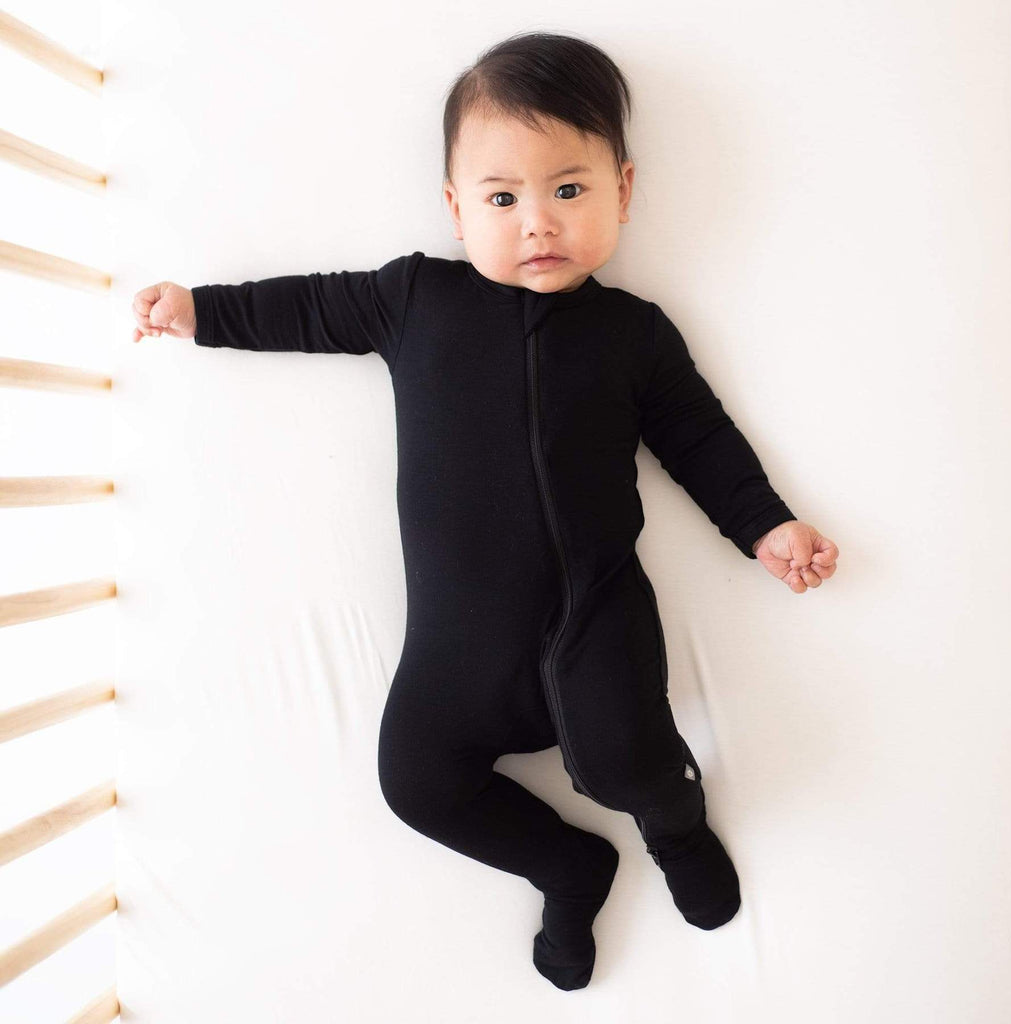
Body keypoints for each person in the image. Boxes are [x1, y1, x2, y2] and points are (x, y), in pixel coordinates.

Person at [129, 30, 839, 991]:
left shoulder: (632, 333)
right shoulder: (414, 299)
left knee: (633, 761)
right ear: (457, 210)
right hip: (456, 647)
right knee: (414, 783)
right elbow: (307, 307)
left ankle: (672, 823)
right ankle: (567, 866)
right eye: (503, 199)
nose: (536, 222)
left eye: (569, 189)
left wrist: (767, 527)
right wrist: (200, 310)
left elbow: (701, 441)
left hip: (594, 620)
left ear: (623, 191)